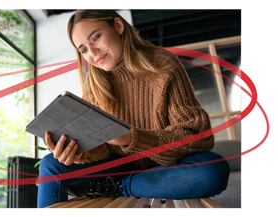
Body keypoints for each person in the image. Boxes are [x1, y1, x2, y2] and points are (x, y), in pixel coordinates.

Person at [37, 9, 230, 210]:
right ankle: (129, 183)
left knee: (212, 170)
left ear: (118, 26)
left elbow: (198, 136)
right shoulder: (95, 82)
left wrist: (132, 138)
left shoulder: (163, 64)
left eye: (96, 37)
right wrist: (77, 152)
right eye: (83, 49)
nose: (92, 53)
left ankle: (123, 185)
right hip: (119, 163)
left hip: (164, 162)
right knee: (50, 164)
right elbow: (102, 148)